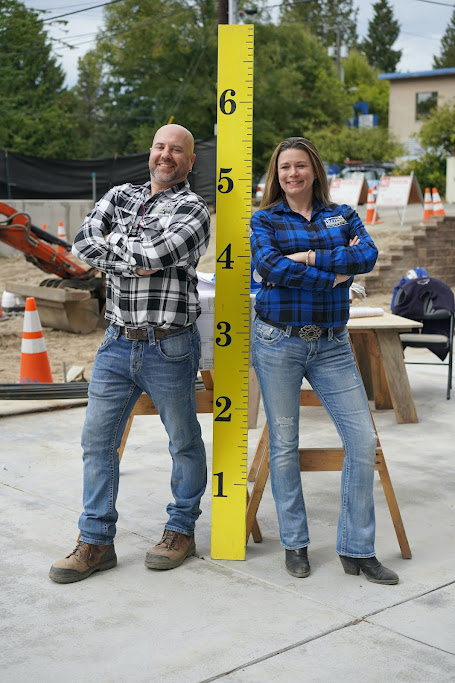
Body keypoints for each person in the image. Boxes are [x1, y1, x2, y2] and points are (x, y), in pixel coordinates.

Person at [49, 124, 210, 583]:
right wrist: (134, 256)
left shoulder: (194, 209)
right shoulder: (120, 195)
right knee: (97, 443)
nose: (166, 155)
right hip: (116, 343)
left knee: (182, 441)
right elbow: (83, 244)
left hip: (170, 346)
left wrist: (116, 245)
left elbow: (157, 254)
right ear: (151, 152)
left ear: (190, 161)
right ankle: (96, 541)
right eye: (160, 147)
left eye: (176, 150)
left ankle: (180, 531)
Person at [250, 136, 399, 585]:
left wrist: (308, 256)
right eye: (284, 167)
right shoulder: (265, 219)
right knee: (284, 445)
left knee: (362, 442)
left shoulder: (343, 214)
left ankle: (358, 549)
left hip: (332, 345)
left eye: (300, 165)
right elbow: (270, 267)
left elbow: (367, 256)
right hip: (279, 341)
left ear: (315, 170)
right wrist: (335, 275)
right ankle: (295, 543)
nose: (292, 174)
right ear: (276, 175)